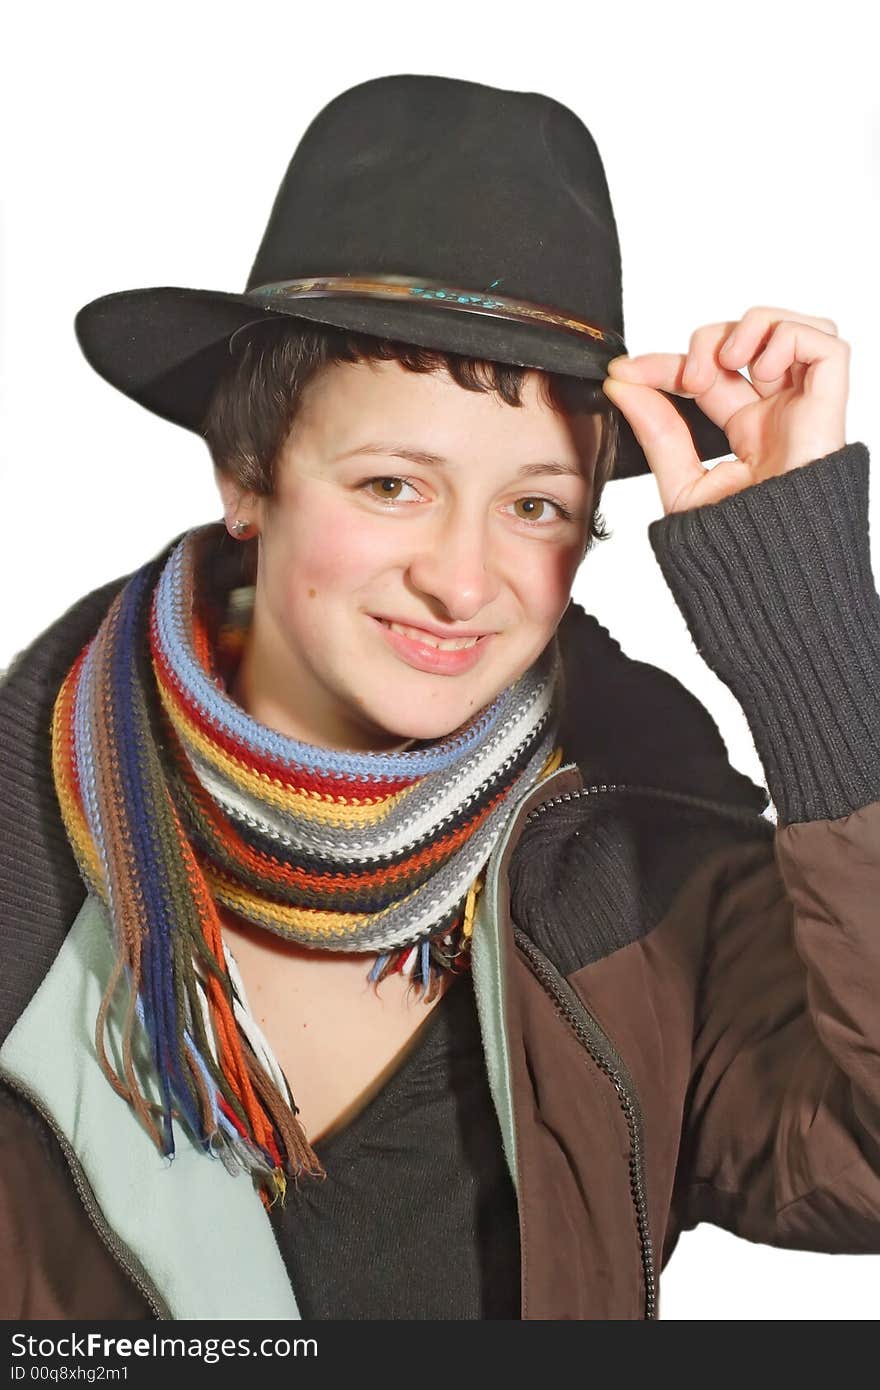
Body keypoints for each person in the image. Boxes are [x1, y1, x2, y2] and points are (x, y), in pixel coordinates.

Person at [0, 73, 877, 1322]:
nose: (462, 581)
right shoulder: (20, 851)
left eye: (534, 507)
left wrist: (816, 640)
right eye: (392, 486)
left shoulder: (646, 871)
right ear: (249, 477)